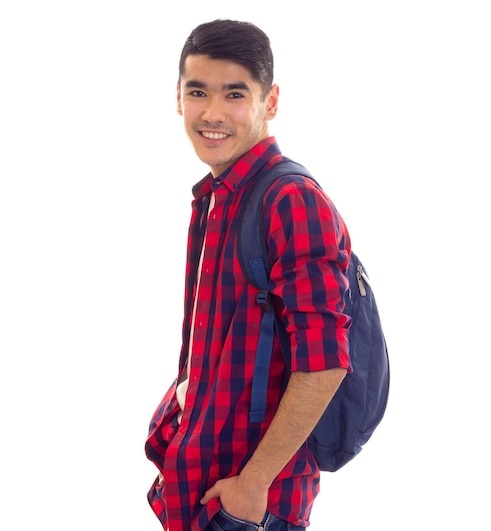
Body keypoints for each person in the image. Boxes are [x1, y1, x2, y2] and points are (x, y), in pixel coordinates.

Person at [145, 19, 352, 531]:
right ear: (178, 98)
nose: (212, 114)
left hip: (252, 506)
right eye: (198, 92)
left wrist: (253, 485)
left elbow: (325, 364)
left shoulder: (291, 200)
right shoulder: (218, 197)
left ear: (271, 101)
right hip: (201, 483)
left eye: (235, 94)